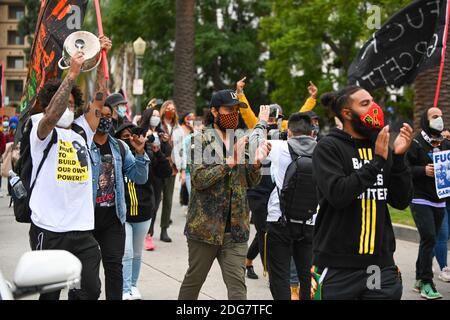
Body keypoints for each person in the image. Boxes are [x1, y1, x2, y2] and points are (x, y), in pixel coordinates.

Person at [28, 35, 111, 300]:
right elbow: (53, 114)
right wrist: (73, 73)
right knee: (51, 294)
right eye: (65, 104)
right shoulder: (40, 129)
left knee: (89, 289)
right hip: (50, 230)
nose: (68, 109)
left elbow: (99, 101)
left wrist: (99, 57)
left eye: (73, 105)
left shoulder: (81, 133)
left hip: (81, 230)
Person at [312, 86, 413, 300]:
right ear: (347, 113)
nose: (375, 108)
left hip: (378, 267)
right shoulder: (328, 147)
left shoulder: (381, 146)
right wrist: (377, 162)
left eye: (373, 101)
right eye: (365, 104)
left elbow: (401, 200)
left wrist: (399, 158)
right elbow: (338, 194)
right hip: (338, 268)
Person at [178, 89, 271, 300]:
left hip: (236, 230)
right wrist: (231, 159)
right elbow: (200, 180)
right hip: (205, 229)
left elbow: (250, 181)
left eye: (237, 110)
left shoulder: (241, 138)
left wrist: (256, 164)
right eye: (228, 109)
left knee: (238, 290)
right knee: (194, 281)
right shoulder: (199, 139)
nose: (234, 114)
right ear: (214, 111)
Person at [254, 110, 317, 300]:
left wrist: (262, 121)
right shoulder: (322, 150)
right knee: (305, 275)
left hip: (279, 220)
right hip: (309, 222)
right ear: (312, 133)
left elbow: (255, 141)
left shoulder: (280, 146)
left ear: (289, 132)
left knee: (279, 276)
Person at [91, 103, 150, 300]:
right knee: (87, 278)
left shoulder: (120, 147)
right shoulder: (81, 144)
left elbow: (139, 177)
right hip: (86, 220)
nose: (105, 120)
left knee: (115, 269)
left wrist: (141, 153)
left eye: (109, 116)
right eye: (100, 115)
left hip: (113, 219)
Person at [115, 123, 172, 300]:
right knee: (127, 252)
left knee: (137, 253)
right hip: (122, 214)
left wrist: (156, 150)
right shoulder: (116, 155)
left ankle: (133, 286)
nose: (131, 140)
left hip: (144, 213)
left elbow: (166, 171)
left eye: (133, 136)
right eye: (125, 137)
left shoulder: (146, 154)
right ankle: (124, 290)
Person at [406, 107, 450, 299]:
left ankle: (418, 278)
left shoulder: (445, 143)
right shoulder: (415, 143)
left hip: (440, 199)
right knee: (429, 238)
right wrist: (422, 170)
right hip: (419, 198)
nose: (439, 119)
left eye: (441, 116)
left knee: (428, 240)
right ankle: (426, 282)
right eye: (435, 116)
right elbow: (404, 169)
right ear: (426, 119)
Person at [139, 107, 173, 250]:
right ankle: (143, 233)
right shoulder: (140, 131)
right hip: (144, 174)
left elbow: (166, 155)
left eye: (158, 116)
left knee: (155, 205)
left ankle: (149, 234)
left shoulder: (161, 134)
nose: (156, 118)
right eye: (153, 115)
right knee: (146, 204)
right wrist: (146, 140)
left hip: (158, 175)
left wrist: (165, 143)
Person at [236, 77, 318, 130]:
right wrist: (240, 93)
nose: (273, 118)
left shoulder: (285, 126)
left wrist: (312, 98)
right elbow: (246, 112)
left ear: (281, 116)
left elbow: (300, 116)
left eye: (277, 115)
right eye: (270, 114)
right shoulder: (257, 124)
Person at [159, 100, 184, 242]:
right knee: (155, 199)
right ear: (163, 110)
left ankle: (164, 230)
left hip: (171, 167)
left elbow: (182, 151)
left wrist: (182, 169)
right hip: (158, 165)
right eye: (168, 108)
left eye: (173, 109)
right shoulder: (157, 125)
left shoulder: (178, 129)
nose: (171, 111)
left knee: (168, 199)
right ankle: (149, 230)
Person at [434, 129, 450, 283]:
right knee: (443, 235)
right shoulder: (429, 150)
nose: (445, 139)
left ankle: (425, 258)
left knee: (446, 234)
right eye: (444, 136)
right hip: (437, 199)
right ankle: (444, 268)